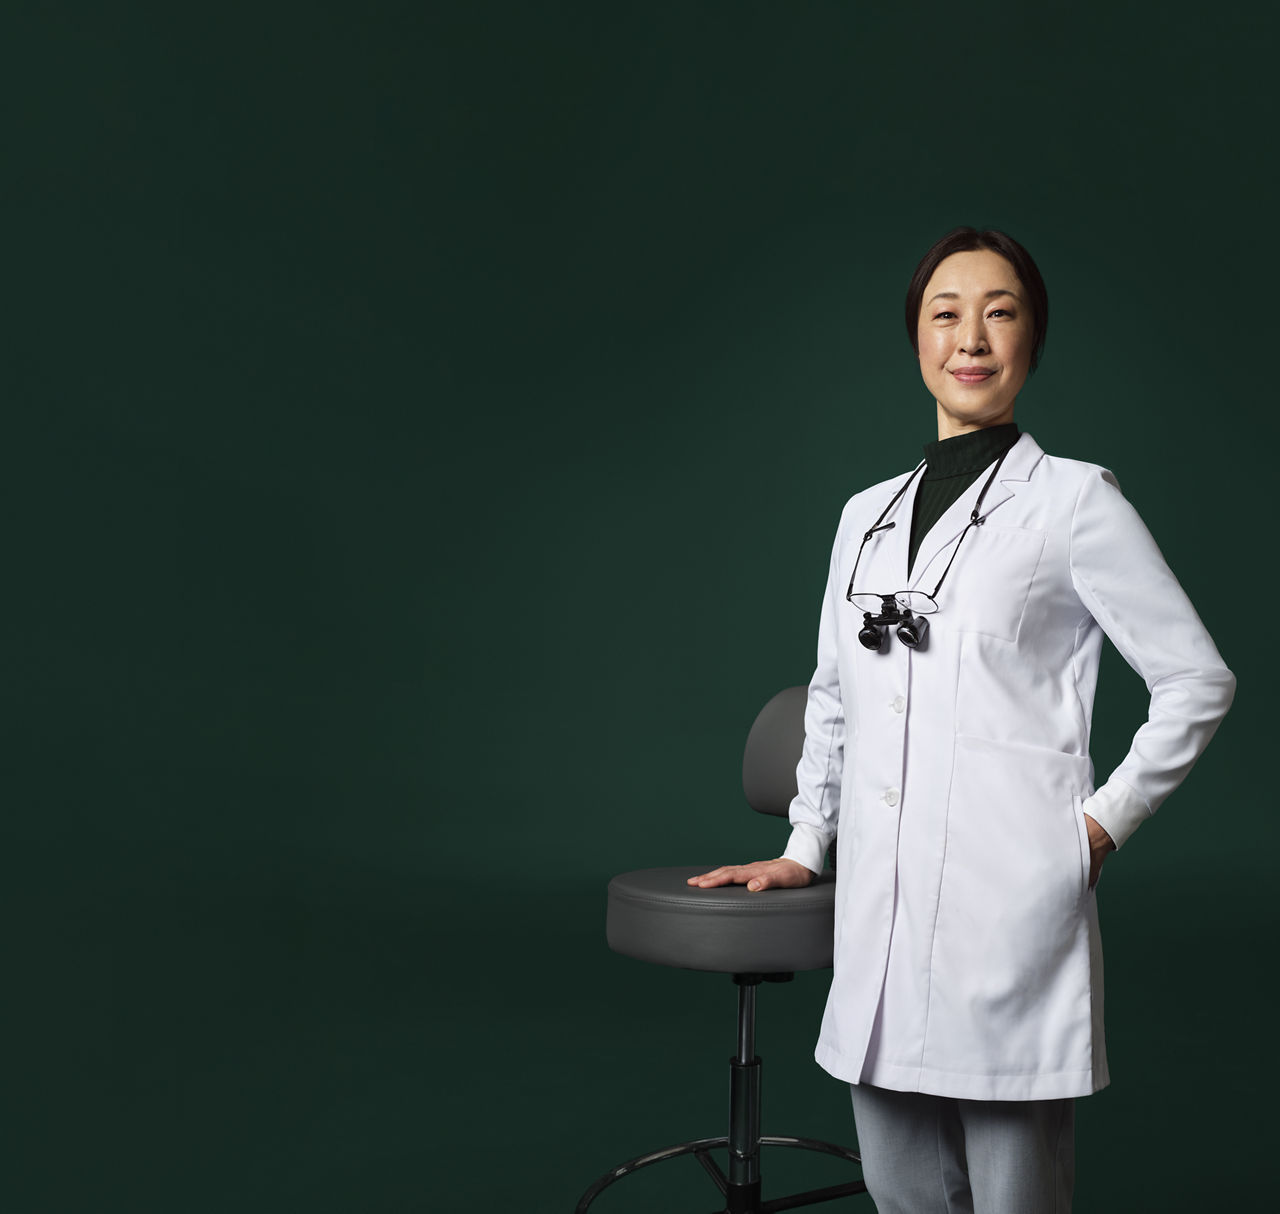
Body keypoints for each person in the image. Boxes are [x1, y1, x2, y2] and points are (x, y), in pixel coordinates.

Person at [689, 227, 1235, 1214]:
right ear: (916, 340)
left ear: (1029, 340)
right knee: (898, 1189)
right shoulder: (863, 516)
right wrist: (805, 846)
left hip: (1008, 900)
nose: (970, 336)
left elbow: (1195, 677)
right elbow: (830, 692)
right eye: (945, 312)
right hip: (880, 912)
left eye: (999, 310)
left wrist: (1099, 823)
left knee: (1011, 1192)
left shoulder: (1072, 501)